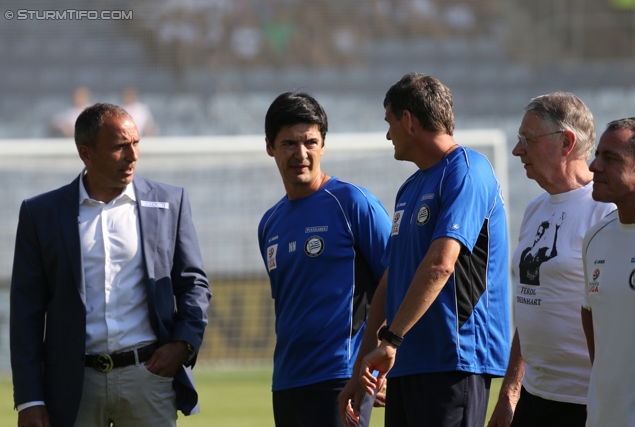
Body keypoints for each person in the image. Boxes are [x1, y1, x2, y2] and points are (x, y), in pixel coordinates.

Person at [10, 103, 211, 427]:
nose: (133, 156)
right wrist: (30, 399)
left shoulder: (170, 202)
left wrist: (182, 344)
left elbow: (193, 284)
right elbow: (26, 312)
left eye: (136, 143)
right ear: (86, 154)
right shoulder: (41, 213)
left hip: (149, 378)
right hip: (73, 387)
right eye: (120, 147)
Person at [340, 72, 511, 427]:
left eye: (389, 122)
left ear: (408, 120)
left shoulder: (467, 169)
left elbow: (440, 265)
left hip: (454, 359)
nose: (388, 135)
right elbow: (392, 278)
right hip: (405, 359)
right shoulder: (409, 188)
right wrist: (363, 366)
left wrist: (391, 339)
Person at [258, 92, 392, 427]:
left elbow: (397, 281)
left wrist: (384, 361)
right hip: (286, 384)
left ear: (323, 144)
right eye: (289, 143)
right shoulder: (269, 223)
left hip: (341, 378)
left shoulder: (353, 204)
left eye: (310, 142)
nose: (301, 154)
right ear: (269, 146)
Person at [488, 92, 615, 427]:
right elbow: (532, 306)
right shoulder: (535, 209)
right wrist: (509, 394)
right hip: (534, 399)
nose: (518, 150)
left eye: (527, 140)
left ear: (566, 142)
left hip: (586, 403)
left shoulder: (607, 212)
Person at [582, 117, 635, 426]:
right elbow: (589, 311)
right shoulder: (595, 237)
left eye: (610, 158)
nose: (593, 166)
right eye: (597, 154)